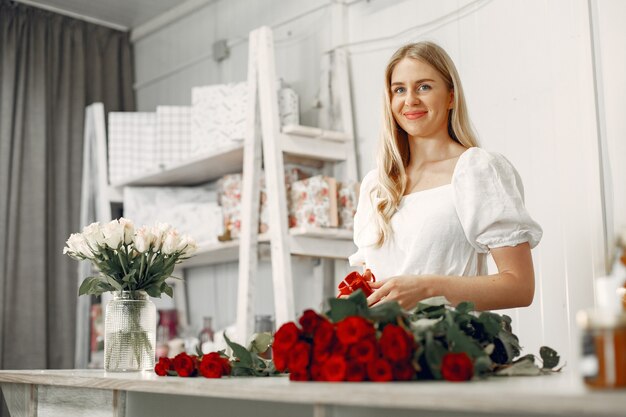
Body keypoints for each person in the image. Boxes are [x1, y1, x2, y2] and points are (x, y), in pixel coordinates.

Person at [348, 41, 542, 311]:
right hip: (384, 350)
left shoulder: (477, 170)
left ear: (451, 96)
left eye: (424, 87)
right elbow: (374, 284)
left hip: (450, 348)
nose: (410, 99)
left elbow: (520, 287)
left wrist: (428, 290)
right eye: (399, 90)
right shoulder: (376, 185)